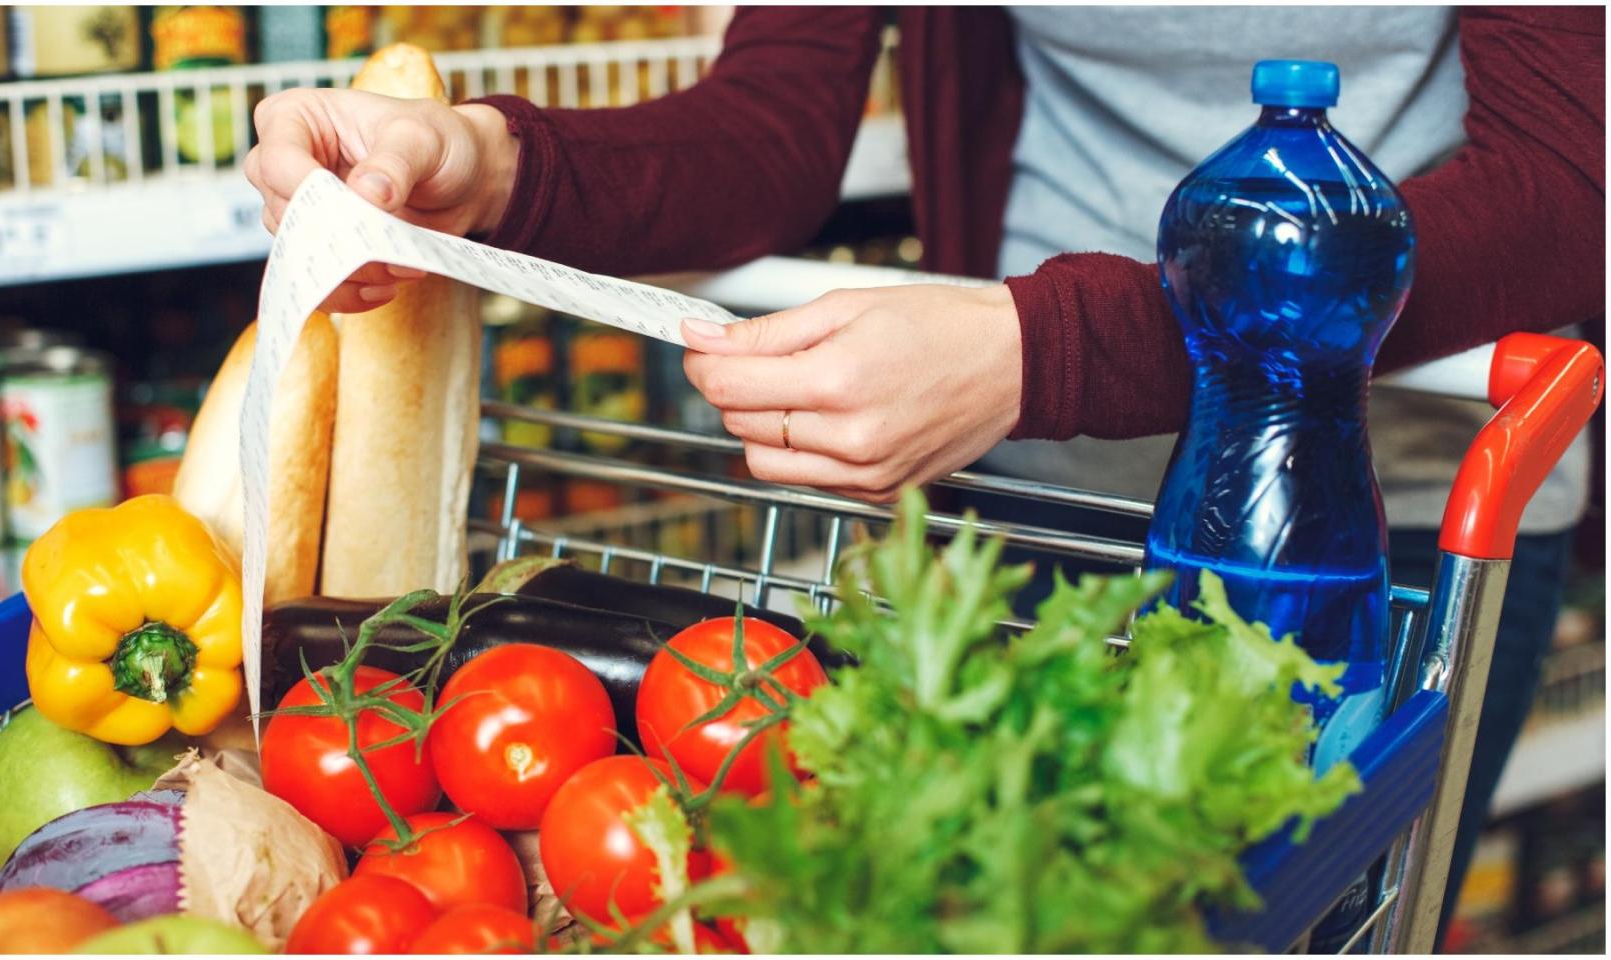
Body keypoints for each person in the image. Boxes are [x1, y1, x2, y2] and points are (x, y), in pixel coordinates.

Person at [245, 6, 1604, 940]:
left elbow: (1566, 179)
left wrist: (1050, 348)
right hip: (1022, 493)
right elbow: (773, 121)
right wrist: (488, 162)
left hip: (1370, 518)